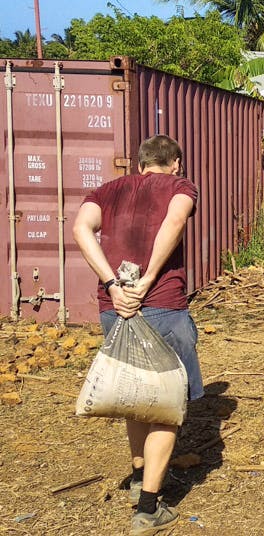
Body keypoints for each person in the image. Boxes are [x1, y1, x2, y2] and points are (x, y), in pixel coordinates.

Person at [73, 135, 202, 535]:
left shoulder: (107, 190)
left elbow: (80, 228)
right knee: (165, 404)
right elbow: (176, 220)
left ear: (141, 163)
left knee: (134, 395)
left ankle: (135, 477)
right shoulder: (180, 187)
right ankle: (148, 508)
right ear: (175, 162)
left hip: (115, 310)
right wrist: (145, 281)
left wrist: (113, 284)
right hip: (162, 306)